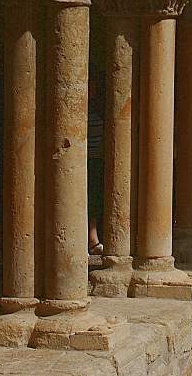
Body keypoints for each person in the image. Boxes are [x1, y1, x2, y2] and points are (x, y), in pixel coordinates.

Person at [87, 69, 105, 254]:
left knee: (94, 200)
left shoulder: (100, 108)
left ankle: (93, 239)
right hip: (80, 161)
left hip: (95, 160)